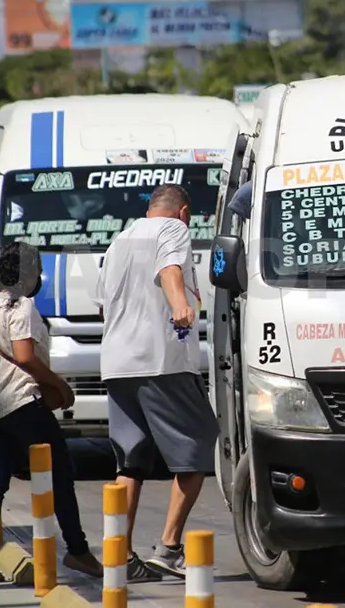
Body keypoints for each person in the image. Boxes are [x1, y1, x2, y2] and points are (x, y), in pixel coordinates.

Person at [93, 184, 218, 581]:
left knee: (130, 462)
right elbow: (170, 269)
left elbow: (103, 304)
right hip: (162, 362)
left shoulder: (119, 241)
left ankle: (121, 555)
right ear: (184, 212)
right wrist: (180, 303)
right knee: (198, 445)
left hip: (117, 364)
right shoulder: (174, 230)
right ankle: (169, 547)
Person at [0, 241, 102, 583]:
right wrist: (60, 385)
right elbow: (25, 357)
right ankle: (78, 551)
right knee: (61, 475)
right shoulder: (20, 306)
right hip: (23, 404)